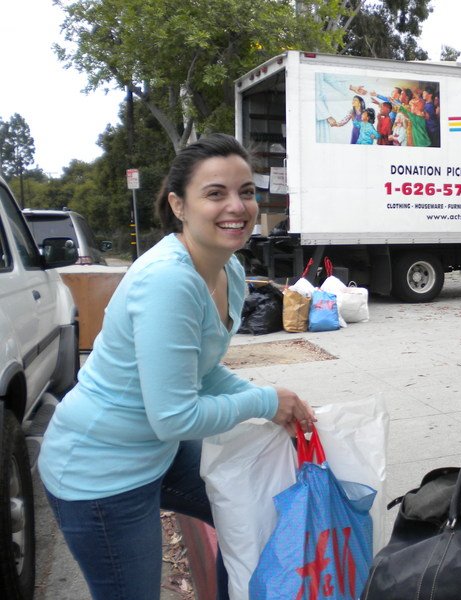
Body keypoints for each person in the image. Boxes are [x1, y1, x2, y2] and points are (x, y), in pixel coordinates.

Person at [38, 134, 316, 600]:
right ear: (179, 205)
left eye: (246, 191)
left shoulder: (230, 269)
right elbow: (173, 416)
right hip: (100, 474)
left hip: (158, 454)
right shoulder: (168, 280)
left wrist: (275, 406)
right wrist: (266, 401)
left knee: (255, 516)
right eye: (215, 193)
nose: (237, 206)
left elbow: (203, 373)